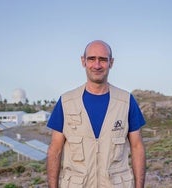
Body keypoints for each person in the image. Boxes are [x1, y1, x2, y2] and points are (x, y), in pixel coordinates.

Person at [47, 40, 146, 188]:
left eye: (103, 59)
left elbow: (137, 147)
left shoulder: (126, 102)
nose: (97, 65)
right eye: (92, 59)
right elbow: (55, 149)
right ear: (83, 61)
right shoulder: (66, 102)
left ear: (111, 63)